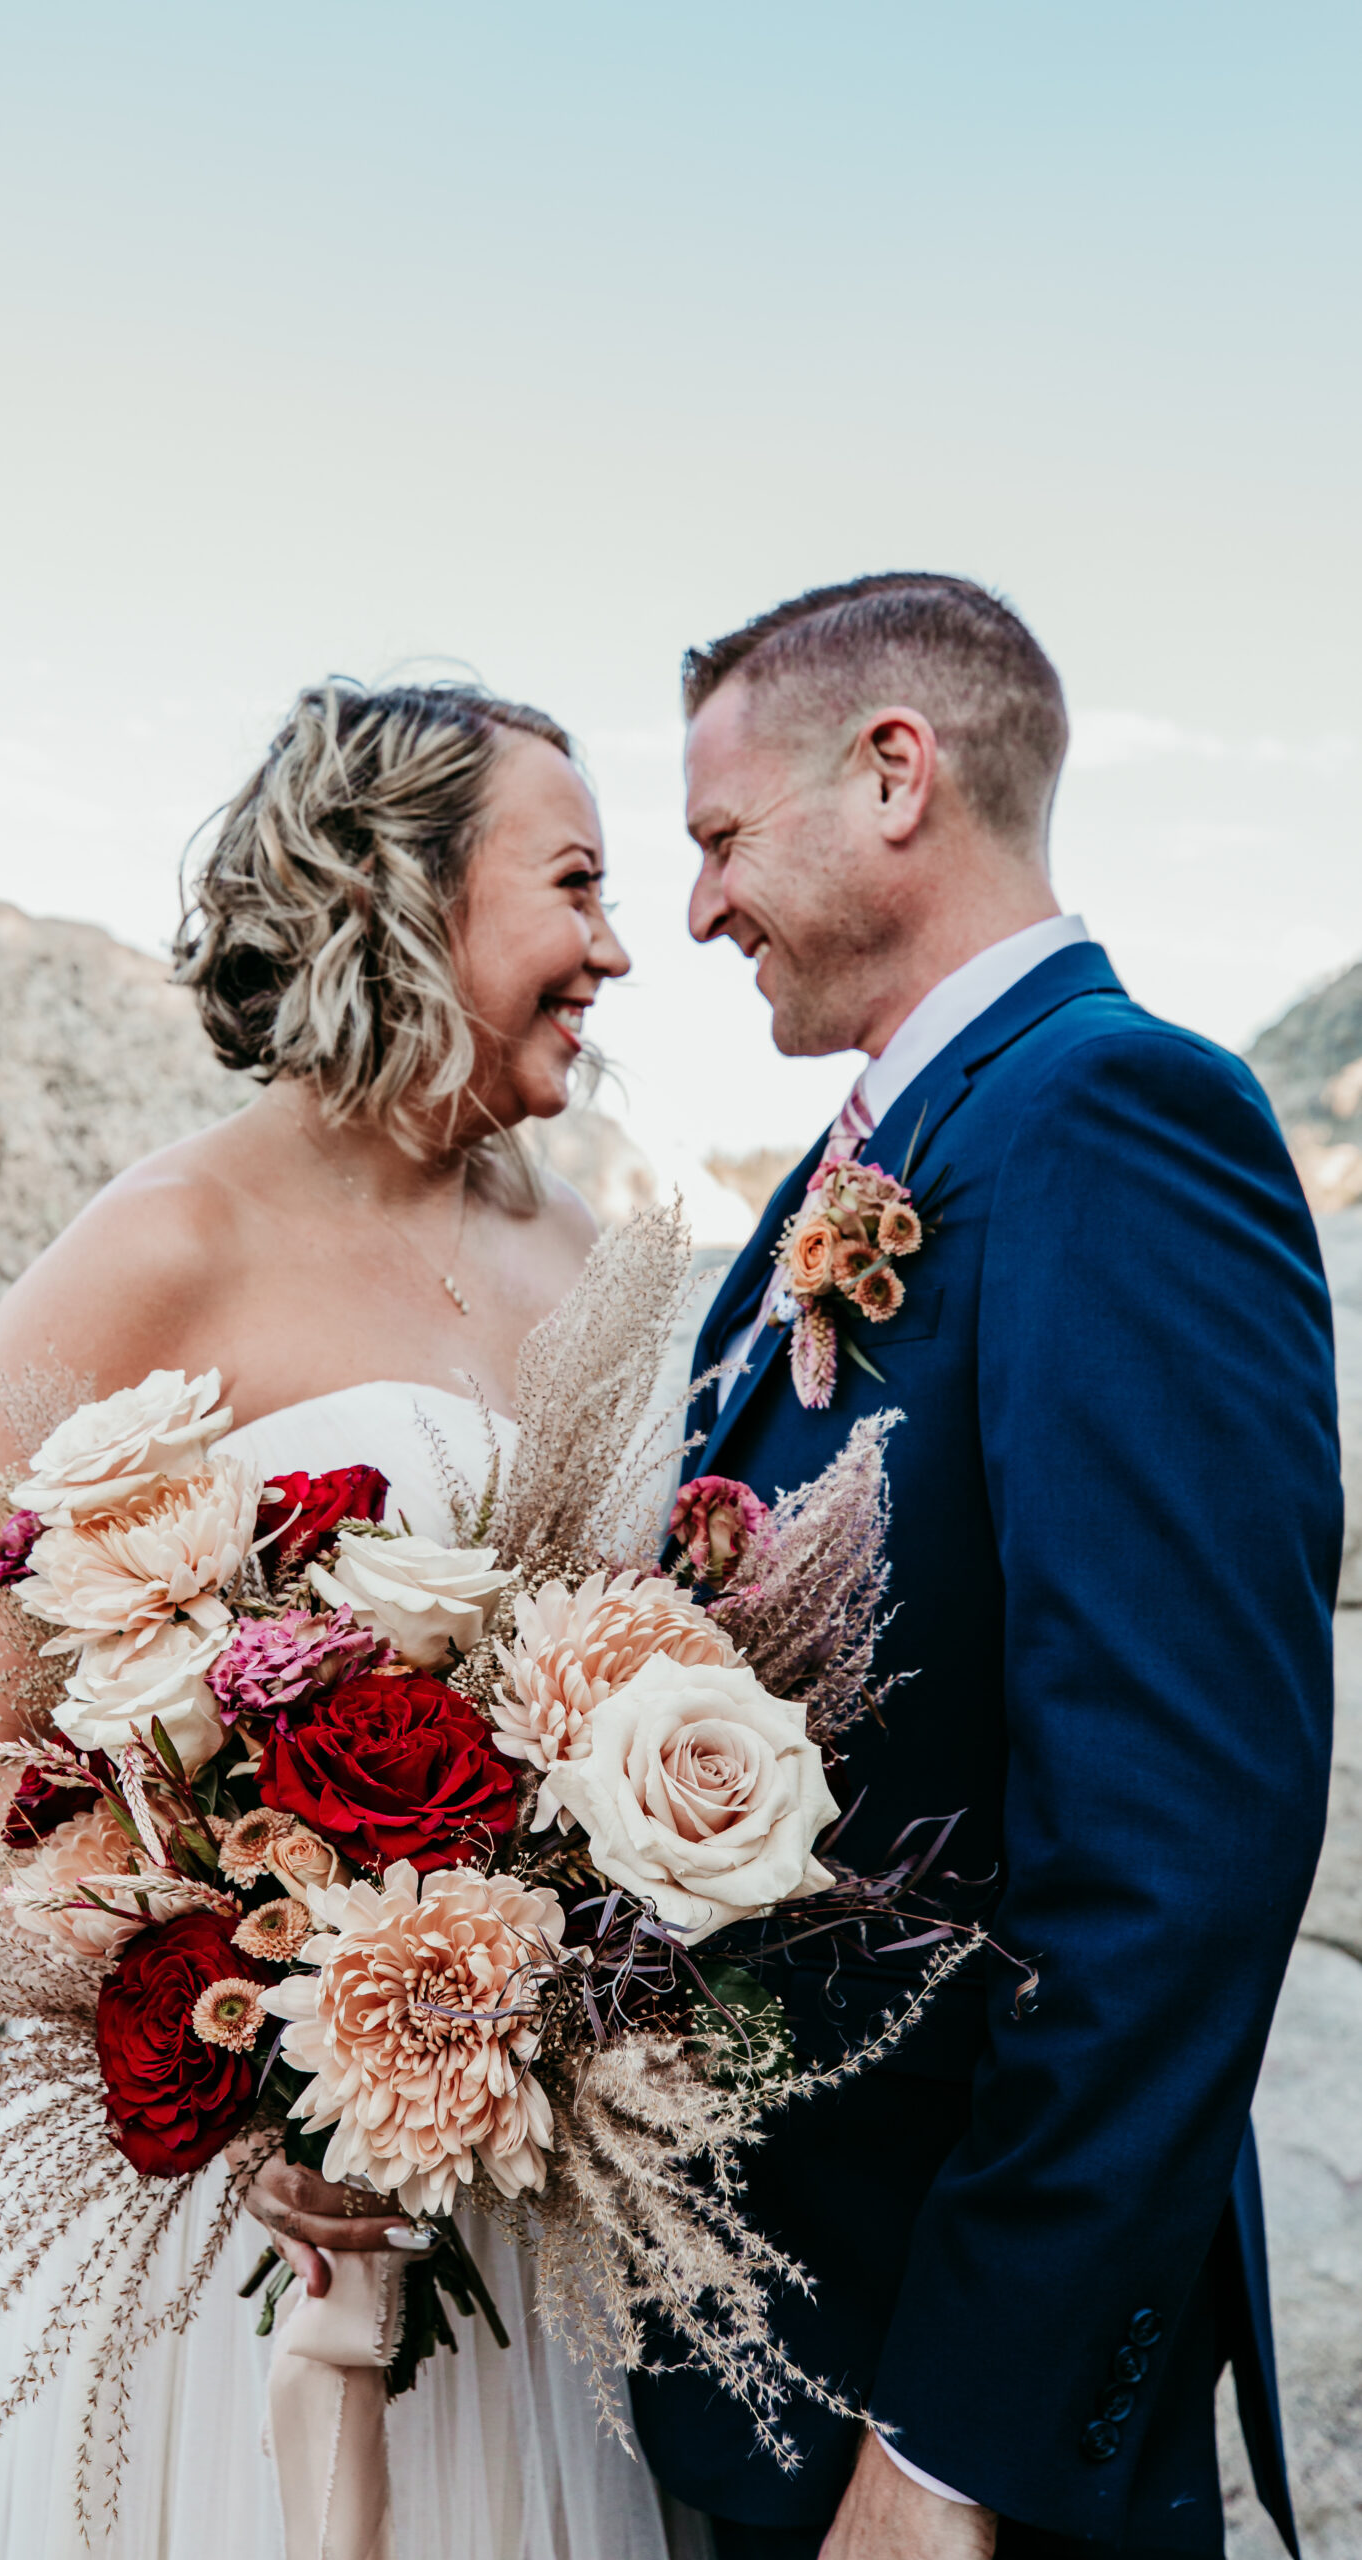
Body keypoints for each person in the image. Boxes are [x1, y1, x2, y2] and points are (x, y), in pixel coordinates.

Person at [0, 679, 695, 2560]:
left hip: (504, 2196)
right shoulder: (158, 1248)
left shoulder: (594, 1256)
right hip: (215, 2216)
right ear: (402, 891)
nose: (616, 948)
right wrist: (226, 2049)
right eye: (574, 884)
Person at [628, 574, 1340, 2559]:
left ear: (888, 777)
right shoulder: (864, 1154)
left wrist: (947, 2448)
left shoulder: (1115, 1119)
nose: (695, 910)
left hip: (931, 2409)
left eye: (712, 840)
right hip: (759, 2334)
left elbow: (1173, 1850)